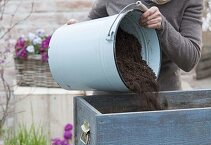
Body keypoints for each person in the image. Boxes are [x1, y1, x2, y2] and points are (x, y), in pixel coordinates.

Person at [68, 0, 203, 91]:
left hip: (161, 96)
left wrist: (163, 26)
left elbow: (190, 59)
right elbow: (93, 20)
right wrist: (80, 29)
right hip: (111, 94)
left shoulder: (190, 2)